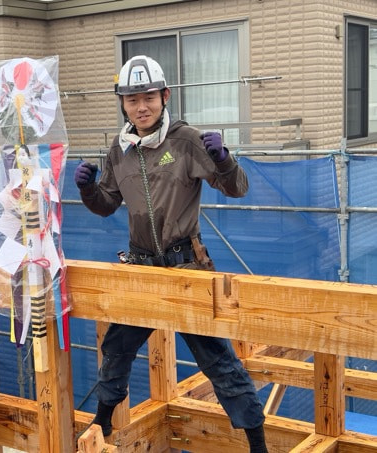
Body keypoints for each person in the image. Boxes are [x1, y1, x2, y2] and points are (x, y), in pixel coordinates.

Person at [74, 56, 268, 453]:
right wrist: (88, 190)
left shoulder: (185, 141)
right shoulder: (120, 150)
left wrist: (224, 160)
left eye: (148, 97)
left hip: (186, 267)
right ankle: (102, 422)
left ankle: (257, 442)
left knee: (217, 360)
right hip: (142, 267)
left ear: (164, 96)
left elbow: (237, 188)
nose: (140, 107)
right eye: (131, 100)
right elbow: (107, 204)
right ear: (123, 104)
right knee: (116, 349)